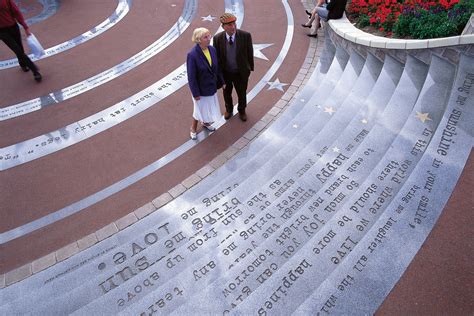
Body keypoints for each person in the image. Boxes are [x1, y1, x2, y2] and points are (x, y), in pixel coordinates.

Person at [213, 13, 254, 122]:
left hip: (240, 73)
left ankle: (242, 110)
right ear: (223, 27)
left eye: (234, 23)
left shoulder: (245, 36)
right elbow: (216, 58)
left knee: (241, 93)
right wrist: (219, 75)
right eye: (229, 25)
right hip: (225, 73)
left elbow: (250, 53)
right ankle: (229, 109)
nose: (233, 26)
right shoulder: (217, 39)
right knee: (227, 93)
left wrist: (249, 69)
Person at [186, 27, 224, 140]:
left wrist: (222, 81)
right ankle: (193, 128)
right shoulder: (192, 55)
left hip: (211, 87)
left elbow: (217, 68)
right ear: (198, 40)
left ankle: (206, 123)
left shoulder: (212, 49)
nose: (209, 38)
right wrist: (195, 93)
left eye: (209, 36)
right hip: (200, 90)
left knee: (207, 108)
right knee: (198, 110)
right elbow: (191, 77)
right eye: (205, 37)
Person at [0, 0, 42, 81]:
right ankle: (34, 70)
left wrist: (25, 27)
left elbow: (16, 12)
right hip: (2, 32)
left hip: (13, 27)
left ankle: (22, 63)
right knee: (17, 50)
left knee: (19, 48)